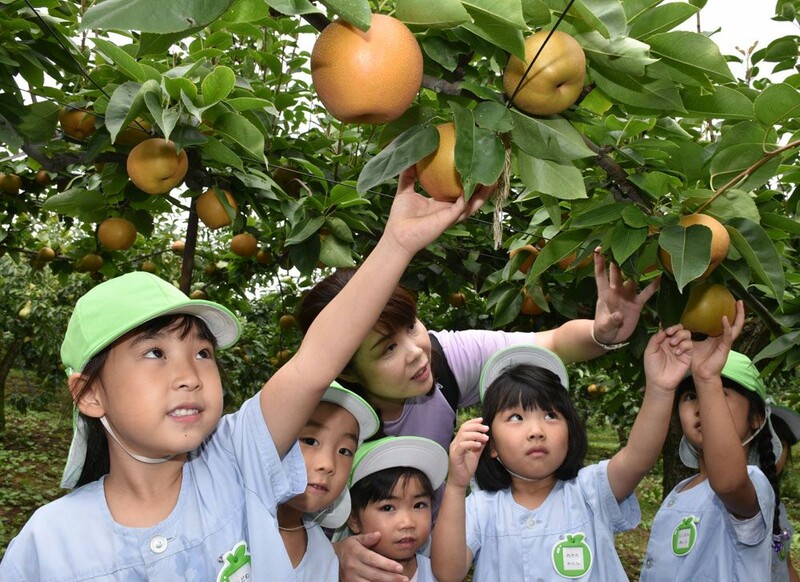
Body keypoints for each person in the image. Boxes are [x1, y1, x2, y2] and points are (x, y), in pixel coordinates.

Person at [0, 167, 491, 581]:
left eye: (203, 353)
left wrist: (396, 245)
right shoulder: (49, 542)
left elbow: (315, 362)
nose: (189, 374)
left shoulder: (239, 462)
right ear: (89, 394)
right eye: (153, 353)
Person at [301, 246, 659, 580]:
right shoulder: (324, 416)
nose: (415, 352)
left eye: (411, 326)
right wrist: (331, 554)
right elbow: (283, 515)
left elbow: (551, 343)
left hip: (433, 546)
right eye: (388, 349)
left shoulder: (444, 359)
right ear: (345, 369)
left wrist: (602, 332)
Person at [430, 325, 693, 581]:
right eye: (516, 417)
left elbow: (638, 457)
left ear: (570, 432)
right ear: (493, 446)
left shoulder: (591, 491)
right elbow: (448, 573)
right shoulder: (481, 508)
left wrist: (660, 387)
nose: (536, 430)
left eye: (550, 415)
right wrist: (455, 485)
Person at [639, 303, 783, 581]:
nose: (701, 405)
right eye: (690, 396)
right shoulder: (679, 491)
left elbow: (727, 483)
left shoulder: (752, 482)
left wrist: (707, 379)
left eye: (720, 393)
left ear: (756, 418)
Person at [278, 381, 379, 580]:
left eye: (345, 451)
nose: (328, 464)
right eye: (310, 441)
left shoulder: (324, 555)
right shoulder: (234, 521)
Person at [345, 436, 448, 582]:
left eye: (419, 505)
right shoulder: (336, 574)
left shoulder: (439, 573)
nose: (407, 523)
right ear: (354, 519)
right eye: (388, 508)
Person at [770, 403, 800, 582]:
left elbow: (785, 564)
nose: (773, 452)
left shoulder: (778, 506)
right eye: (767, 443)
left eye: (780, 444)